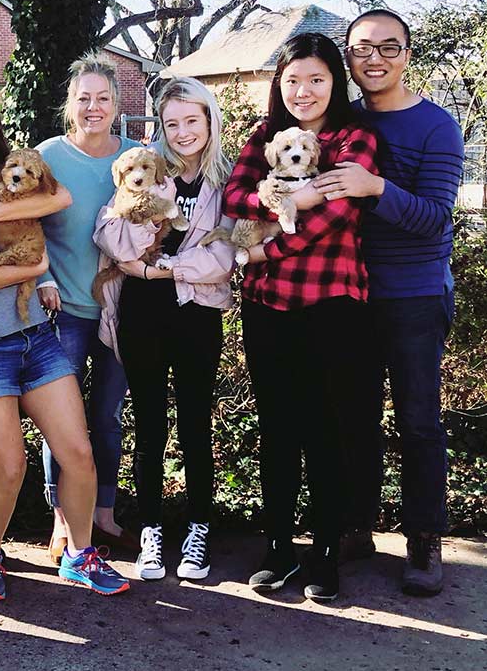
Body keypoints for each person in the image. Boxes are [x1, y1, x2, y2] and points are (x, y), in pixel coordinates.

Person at [0, 84, 130, 601]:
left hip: (35, 332)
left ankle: (81, 554)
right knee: (9, 465)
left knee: (79, 452)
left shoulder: (4, 179)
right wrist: (37, 267)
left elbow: (61, 196)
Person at [313, 9, 465, 597]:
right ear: (347, 58)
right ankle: (357, 524)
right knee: (353, 415)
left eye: (388, 47)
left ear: (407, 54)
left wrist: (375, 188)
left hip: (414, 293)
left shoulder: (436, 126)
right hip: (348, 290)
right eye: (361, 49)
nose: (373, 58)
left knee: (419, 421)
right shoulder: (342, 122)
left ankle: (425, 538)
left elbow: (435, 220)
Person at [223, 33, 379, 602]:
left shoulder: (353, 137)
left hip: (333, 304)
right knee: (278, 427)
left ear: (335, 81)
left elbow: (337, 211)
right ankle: (278, 545)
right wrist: (288, 199)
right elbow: (234, 198)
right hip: (269, 308)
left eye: (316, 79)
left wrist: (265, 250)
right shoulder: (263, 137)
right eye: (292, 80)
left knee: (326, 429)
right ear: (278, 85)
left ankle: (327, 552)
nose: (303, 91)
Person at [93, 77, 235, 581]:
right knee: (149, 423)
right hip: (143, 313)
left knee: (196, 422)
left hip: (197, 311)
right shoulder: (146, 170)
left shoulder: (226, 179)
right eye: (171, 123)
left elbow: (226, 255)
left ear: (209, 120)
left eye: (192, 120)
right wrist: (141, 257)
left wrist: (165, 268)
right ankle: (151, 530)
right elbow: (110, 235)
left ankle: (199, 528)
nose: (182, 132)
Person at [29, 53, 141, 561]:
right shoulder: (48, 156)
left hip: (120, 310)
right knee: (63, 422)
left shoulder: (138, 157)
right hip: (65, 309)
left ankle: (103, 513)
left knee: (108, 416)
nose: (93, 107)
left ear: (117, 105)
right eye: (83, 99)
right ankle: (61, 519)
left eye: (102, 98)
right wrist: (44, 276)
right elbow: (23, 224)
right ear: (69, 106)